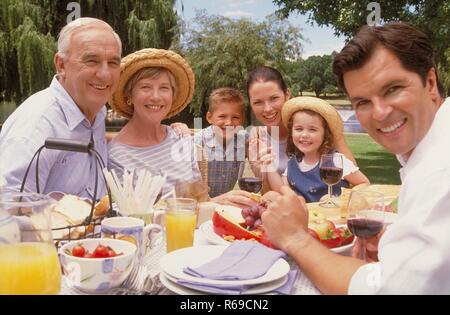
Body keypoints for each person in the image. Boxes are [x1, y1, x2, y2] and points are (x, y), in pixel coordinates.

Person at [261, 22, 449, 294]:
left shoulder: (440, 169)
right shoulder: (427, 154)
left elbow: (387, 290)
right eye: (362, 102)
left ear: (430, 82)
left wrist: (296, 238)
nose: (380, 113)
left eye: (393, 88)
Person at [108, 49, 255, 208]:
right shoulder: (117, 155)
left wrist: (218, 202)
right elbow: (133, 217)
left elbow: (199, 200)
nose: (156, 96)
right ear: (129, 96)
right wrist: (213, 204)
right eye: (145, 87)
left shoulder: (181, 138)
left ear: (172, 95)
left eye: (164, 88)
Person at [0, 18, 122, 197]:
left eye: (113, 63)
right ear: (61, 65)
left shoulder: (95, 112)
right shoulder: (37, 125)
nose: (105, 74)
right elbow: (8, 210)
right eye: (91, 61)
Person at [246, 66, 357, 192]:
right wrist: (260, 171)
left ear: (287, 94)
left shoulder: (321, 130)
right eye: (258, 102)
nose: (267, 109)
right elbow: (267, 193)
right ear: (250, 103)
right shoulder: (257, 140)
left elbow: (353, 182)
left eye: (274, 98)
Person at [263, 96, 369, 201]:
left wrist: (340, 199)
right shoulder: (293, 162)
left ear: (325, 134)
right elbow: (282, 189)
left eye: (312, 130)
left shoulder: (335, 161)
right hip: (303, 216)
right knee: (271, 195)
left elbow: (364, 183)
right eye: (299, 129)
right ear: (291, 132)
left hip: (331, 216)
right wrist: (269, 166)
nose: (304, 135)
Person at [194, 87, 247, 197]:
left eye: (235, 117)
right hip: (201, 202)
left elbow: (263, 136)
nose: (229, 123)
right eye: (222, 116)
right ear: (209, 117)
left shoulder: (244, 140)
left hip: (226, 204)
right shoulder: (198, 142)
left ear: (242, 119)